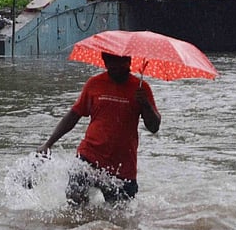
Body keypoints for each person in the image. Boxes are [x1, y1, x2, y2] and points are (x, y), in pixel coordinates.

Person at [37, 53, 161, 205]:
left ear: (129, 62)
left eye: (120, 62)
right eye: (111, 62)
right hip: (89, 156)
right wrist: (49, 143)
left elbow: (154, 127)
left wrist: (145, 104)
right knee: (74, 201)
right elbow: (73, 115)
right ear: (105, 62)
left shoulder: (141, 89)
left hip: (123, 166)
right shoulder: (94, 84)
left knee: (120, 219)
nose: (115, 67)